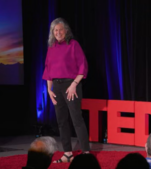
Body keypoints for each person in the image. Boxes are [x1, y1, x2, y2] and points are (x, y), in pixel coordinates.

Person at [42, 17, 90, 163]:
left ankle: (86, 153)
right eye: (55, 30)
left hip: (71, 85)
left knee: (77, 120)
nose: (58, 32)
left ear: (66, 30)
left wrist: (74, 84)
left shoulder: (73, 44)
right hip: (56, 87)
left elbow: (83, 66)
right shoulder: (51, 47)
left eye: (60, 29)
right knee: (62, 121)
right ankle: (68, 153)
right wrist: (49, 90)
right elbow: (48, 70)